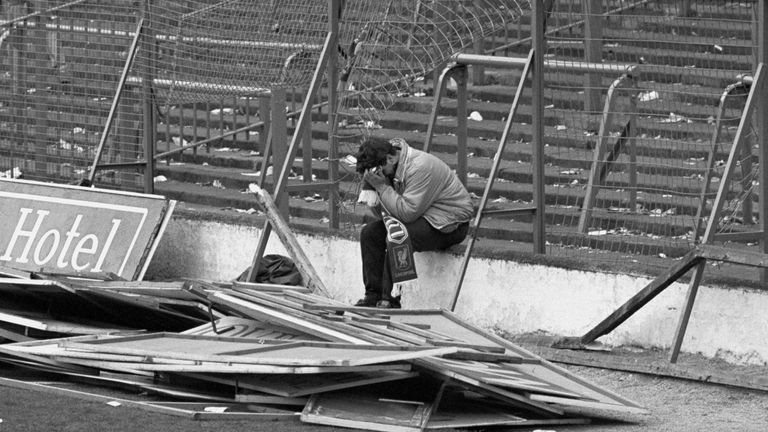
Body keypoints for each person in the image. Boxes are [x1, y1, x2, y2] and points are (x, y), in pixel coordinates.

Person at [354, 138, 475, 308]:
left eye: (378, 170)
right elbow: (385, 215)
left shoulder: (420, 167)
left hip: (449, 225)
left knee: (398, 235)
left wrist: (382, 187)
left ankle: (389, 300)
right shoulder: (388, 170)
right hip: (421, 216)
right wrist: (372, 190)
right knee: (370, 233)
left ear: (390, 158)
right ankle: (373, 296)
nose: (377, 175)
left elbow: (407, 213)